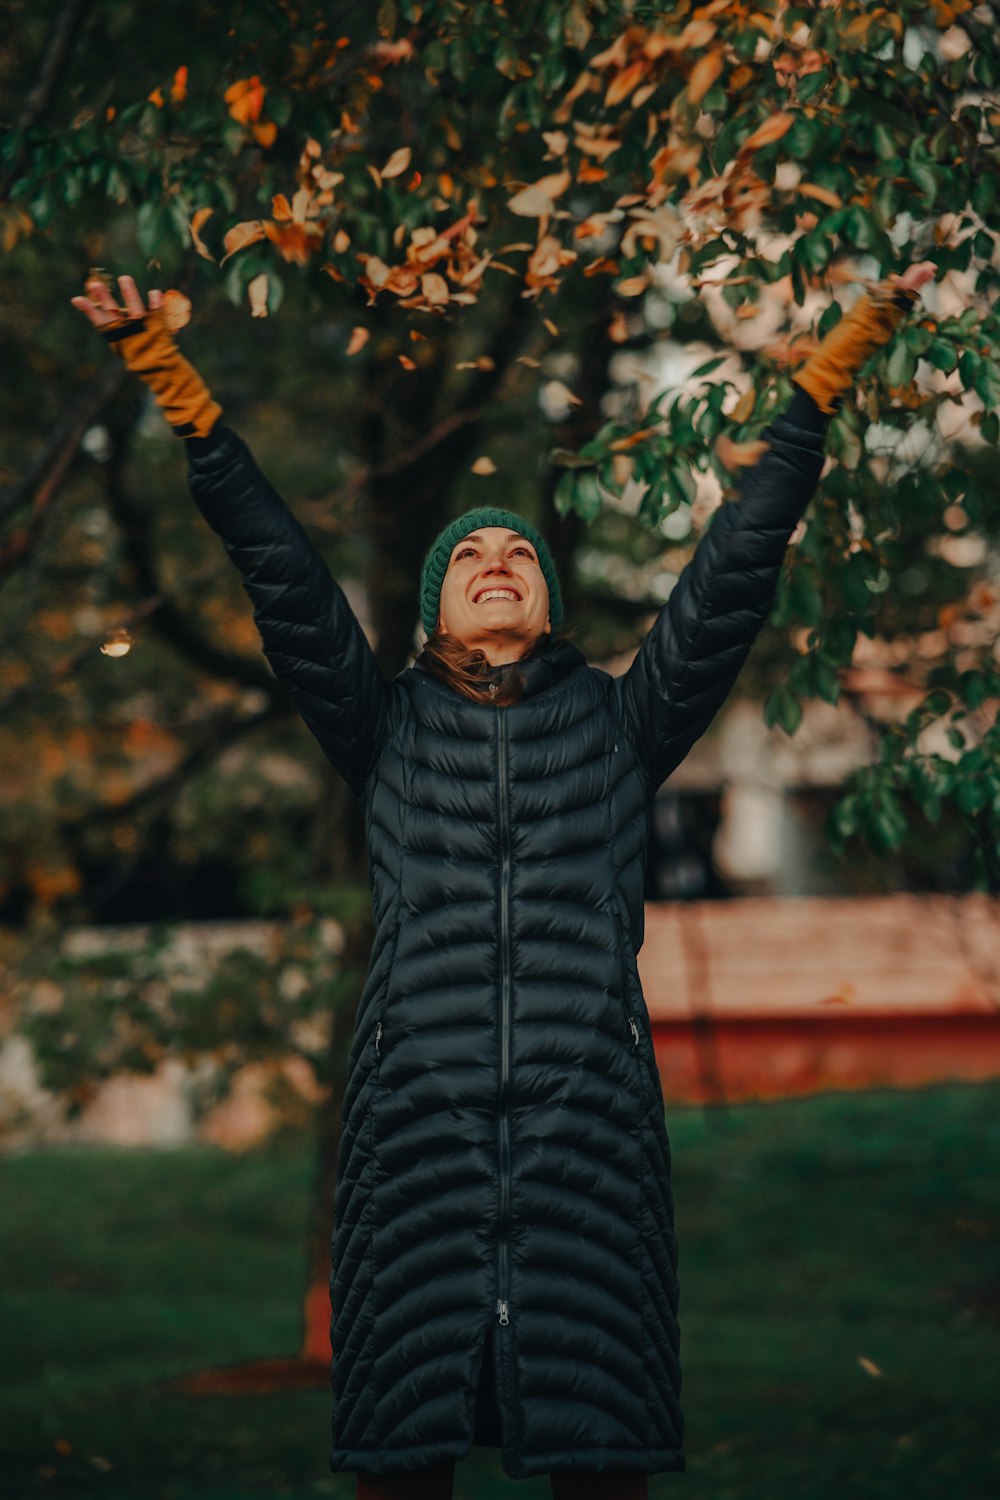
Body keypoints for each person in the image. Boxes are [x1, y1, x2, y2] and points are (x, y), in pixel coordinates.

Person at [72, 259, 933, 1500]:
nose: (493, 559)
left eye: (515, 555)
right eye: (467, 553)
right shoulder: (383, 728)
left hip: (590, 1124)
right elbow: (275, 564)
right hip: (411, 1120)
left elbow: (741, 555)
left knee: (600, 1453)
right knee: (401, 1456)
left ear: (543, 600)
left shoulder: (621, 726)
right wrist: (164, 365)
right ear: (431, 614)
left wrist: (853, 340)